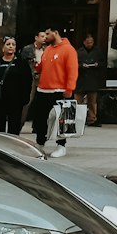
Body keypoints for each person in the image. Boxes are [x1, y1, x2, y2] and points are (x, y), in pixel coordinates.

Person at [33, 24, 78, 158]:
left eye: (48, 34)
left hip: (60, 90)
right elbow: (41, 67)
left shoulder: (68, 50)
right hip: (43, 89)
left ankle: (61, 145)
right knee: (40, 118)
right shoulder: (47, 49)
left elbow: (72, 71)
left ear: (56, 32)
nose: (45, 37)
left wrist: (69, 88)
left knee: (62, 120)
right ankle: (40, 143)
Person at [0, 36, 33, 135]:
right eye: (8, 44)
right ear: (3, 47)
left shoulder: (21, 63)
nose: (11, 47)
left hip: (16, 101)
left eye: (13, 44)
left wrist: (25, 97)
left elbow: (27, 81)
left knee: (14, 127)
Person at [76, 33, 107, 127]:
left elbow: (103, 63)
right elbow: (74, 64)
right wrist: (81, 66)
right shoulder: (79, 52)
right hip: (81, 79)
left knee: (92, 101)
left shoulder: (97, 51)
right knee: (77, 100)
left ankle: (92, 119)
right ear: (84, 42)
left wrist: (97, 64)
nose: (90, 44)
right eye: (88, 42)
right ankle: (76, 119)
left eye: (91, 42)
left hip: (92, 78)